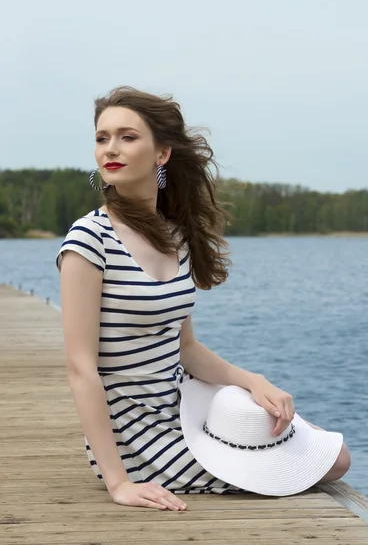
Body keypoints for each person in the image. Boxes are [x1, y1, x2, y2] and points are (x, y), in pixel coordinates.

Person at [56, 86, 351, 512]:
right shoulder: (89, 239)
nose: (110, 149)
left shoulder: (174, 235)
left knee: (328, 450)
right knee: (328, 464)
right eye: (102, 138)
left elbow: (186, 348)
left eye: (127, 136)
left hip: (185, 402)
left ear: (162, 154)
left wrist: (254, 381)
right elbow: (80, 368)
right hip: (134, 433)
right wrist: (118, 482)